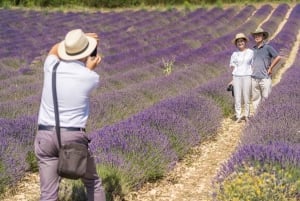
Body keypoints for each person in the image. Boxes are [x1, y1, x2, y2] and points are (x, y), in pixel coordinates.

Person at [34, 29, 106, 201]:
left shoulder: (50, 66)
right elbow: (82, 77)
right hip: (72, 137)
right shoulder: (91, 77)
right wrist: (88, 67)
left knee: (48, 194)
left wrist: (70, 42)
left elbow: (53, 50)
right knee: (92, 183)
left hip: (45, 136)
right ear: (87, 52)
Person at [251, 27, 281, 112]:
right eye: (255, 35)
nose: (257, 37)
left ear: (263, 37)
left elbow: (278, 57)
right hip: (254, 78)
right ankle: (257, 114)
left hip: (265, 77)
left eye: (259, 35)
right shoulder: (252, 49)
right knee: (255, 99)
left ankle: (265, 114)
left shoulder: (268, 47)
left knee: (266, 98)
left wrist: (271, 67)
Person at [229, 33, 254, 123]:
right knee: (237, 97)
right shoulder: (234, 54)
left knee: (246, 96)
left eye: (242, 41)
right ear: (236, 43)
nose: (240, 43)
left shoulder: (251, 52)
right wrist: (232, 79)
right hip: (236, 77)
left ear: (245, 42)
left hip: (247, 75)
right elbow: (232, 65)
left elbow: (253, 64)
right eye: (238, 41)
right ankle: (238, 115)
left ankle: (246, 115)